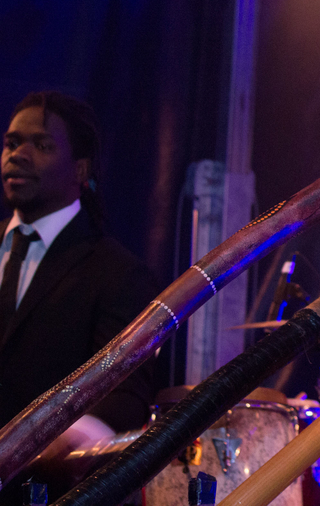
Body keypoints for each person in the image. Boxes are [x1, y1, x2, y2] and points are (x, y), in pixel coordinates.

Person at [0, 91, 158, 501]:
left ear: (80, 169)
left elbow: (127, 393)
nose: (18, 155)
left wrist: (74, 436)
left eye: (41, 145)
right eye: (12, 143)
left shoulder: (117, 272)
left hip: (48, 491)